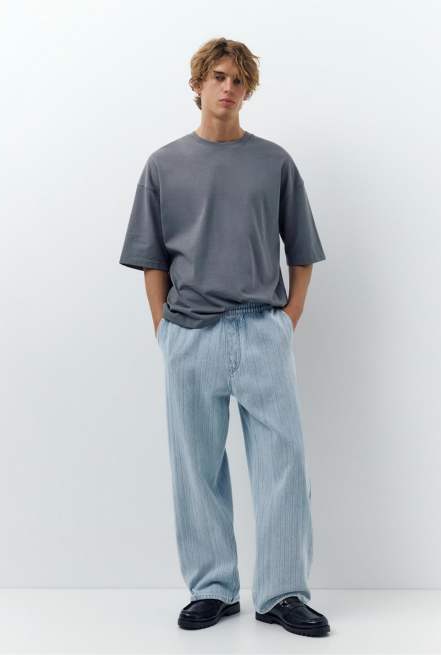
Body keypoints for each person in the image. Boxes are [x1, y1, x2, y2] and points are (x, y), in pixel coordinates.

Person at [119, 37, 331, 638]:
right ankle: (212, 588)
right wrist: (164, 331)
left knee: (283, 464)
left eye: (239, 80)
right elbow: (151, 259)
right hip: (190, 334)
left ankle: (282, 593)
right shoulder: (164, 165)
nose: (228, 88)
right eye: (218, 76)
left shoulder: (274, 162)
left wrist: (287, 320)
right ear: (198, 84)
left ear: (248, 90)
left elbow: (302, 251)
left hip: (262, 331)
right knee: (196, 468)